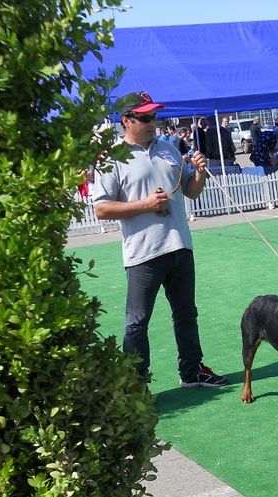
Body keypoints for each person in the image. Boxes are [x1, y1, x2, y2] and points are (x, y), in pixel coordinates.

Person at [92, 91, 228, 388]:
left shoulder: (169, 149)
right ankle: (136, 384)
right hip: (143, 253)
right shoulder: (112, 158)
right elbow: (101, 209)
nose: (152, 122)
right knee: (137, 322)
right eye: (145, 118)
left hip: (180, 245)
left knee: (186, 314)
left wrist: (200, 173)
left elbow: (191, 191)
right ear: (126, 121)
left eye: (154, 116)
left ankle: (192, 371)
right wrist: (146, 205)